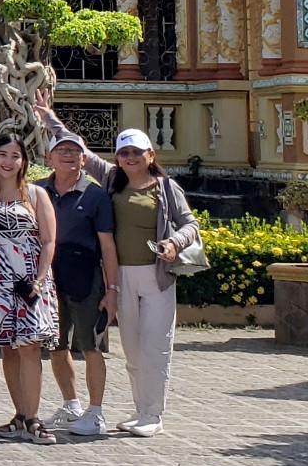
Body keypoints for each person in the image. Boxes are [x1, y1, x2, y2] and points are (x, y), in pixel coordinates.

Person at [108, 127, 201, 437]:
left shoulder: (164, 187)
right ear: (118, 158)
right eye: (124, 152)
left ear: (151, 155)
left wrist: (174, 242)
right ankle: (139, 409)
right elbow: (81, 152)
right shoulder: (112, 182)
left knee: (155, 346)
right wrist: (48, 118)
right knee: (131, 348)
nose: (131, 157)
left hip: (156, 275)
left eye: (137, 152)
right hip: (122, 275)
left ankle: (153, 413)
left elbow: (190, 223)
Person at [0, 131, 60, 444]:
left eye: (15, 156)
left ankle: (34, 417)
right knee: (7, 346)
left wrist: (39, 278)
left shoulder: (36, 195)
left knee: (30, 345)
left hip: (29, 279)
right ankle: (20, 413)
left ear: (23, 161)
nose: (8, 162)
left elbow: (48, 240)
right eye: (2, 154)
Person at [36, 129, 117, 438]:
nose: (68, 155)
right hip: (49, 279)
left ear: (84, 158)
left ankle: (96, 412)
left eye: (75, 151)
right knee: (56, 346)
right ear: (48, 158)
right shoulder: (37, 190)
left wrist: (112, 290)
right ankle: (71, 405)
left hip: (86, 278)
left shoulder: (95, 194)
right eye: (61, 150)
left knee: (90, 346)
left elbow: (108, 246)